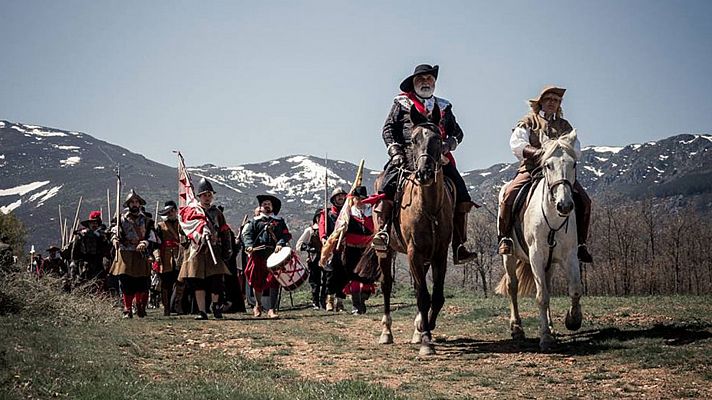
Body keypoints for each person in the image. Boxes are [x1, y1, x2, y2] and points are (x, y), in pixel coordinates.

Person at [374, 63, 477, 264]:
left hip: (437, 157)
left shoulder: (444, 106)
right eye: (421, 79)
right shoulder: (401, 103)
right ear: (413, 83)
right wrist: (395, 151)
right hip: (406, 156)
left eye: (429, 79)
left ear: (434, 82)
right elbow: (388, 129)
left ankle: (458, 244)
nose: (426, 82)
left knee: (462, 193)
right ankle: (385, 232)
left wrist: (447, 146)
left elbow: (457, 132)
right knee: (386, 186)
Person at [498, 85, 593, 263]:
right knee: (509, 195)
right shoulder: (528, 120)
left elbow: (576, 150)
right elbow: (517, 144)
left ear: (559, 105)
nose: (552, 103)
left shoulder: (565, 126)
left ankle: (580, 244)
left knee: (585, 201)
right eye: (548, 99)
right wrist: (539, 154)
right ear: (540, 102)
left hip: (559, 172)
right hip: (531, 169)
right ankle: (506, 238)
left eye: (556, 101)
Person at [177, 178, 232, 320]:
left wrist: (227, 249)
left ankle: (216, 306)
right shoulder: (191, 213)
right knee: (198, 283)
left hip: (214, 250)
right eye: (204, 195)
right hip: (197, 251)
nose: (207, 198)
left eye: (209, 195)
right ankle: (202, 311)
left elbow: (225, 231)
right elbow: (184, 231)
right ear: (199, 196)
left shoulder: (217, 213)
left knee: (216, 281)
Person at [242, 194, 291, 318]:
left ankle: (271, 309)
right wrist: (248, 245)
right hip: (258, 254)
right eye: (264, 204)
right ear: (261, 207)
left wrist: (280, 243)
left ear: (272, 207)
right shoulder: (255, 222)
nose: (267, 206)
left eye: (269, 204)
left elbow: (286, 235)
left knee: (275, 281)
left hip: (274, 255)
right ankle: (258, 305)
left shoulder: (279, 222)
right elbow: (247, 235)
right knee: (257, 281)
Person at [109, 190, 157, 318]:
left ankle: (140, 304)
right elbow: (114, 231)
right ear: (128, 204)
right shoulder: (120, 218)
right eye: (132, 202)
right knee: (126, 282)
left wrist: (145, 243)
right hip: (126, 253)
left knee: (142, 282)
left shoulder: (147, 220)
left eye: (136, 202)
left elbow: (152, 236)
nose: (134, 204)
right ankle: (127, 308)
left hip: (141, 253)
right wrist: (114, 238)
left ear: (140, 204)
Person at [341, 186, 382, 314]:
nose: (359, 201)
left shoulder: (372, 214)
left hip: (368, 251)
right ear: (353, 199)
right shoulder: (347, 214)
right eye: (357, 199)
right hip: (351, 250)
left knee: (367, 278)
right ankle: (356, 306)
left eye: (362, 199)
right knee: (354, 277)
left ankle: (362, 301)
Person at [153, 200, 185, 316]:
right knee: (166, 284)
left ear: (176, 211)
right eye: (169, 211)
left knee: (180, 282)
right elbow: (155, 243)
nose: (171, 213)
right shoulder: (160, 226)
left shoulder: (182, 225)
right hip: (165, 258)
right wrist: (157, 256)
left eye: (172, 211)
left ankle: (177, 305)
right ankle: (166, 308)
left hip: (179, 256)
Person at [319, 187, 347, 311]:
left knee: (343, 275)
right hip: (331, 247)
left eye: (342, 196)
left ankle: (340, 301)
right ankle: (329, 300)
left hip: (344, 247)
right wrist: (323, 238)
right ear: (334, 199)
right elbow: (322, 227)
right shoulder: (327, 213)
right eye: (338, 196)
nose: (341, 198)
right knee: (330, 275)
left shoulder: (347, 213)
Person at [70, 210, 111, 290]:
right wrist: (74, 262)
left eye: (96, 223)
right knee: (83, 284)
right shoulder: (81, 235)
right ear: (88, 224)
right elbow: (75, 250)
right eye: (92, 223)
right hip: (85, 264)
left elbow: (106, 250)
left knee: (99, 284)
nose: (94, 225)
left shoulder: (102, 236)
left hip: (98, 263)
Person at [296, 209, 325, 309]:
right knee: (315, 281)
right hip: (314, 258)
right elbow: (299, 245)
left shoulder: (329, 229)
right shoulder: (310, 230)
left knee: (326, 280)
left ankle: (324, 301)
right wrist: (309, 248)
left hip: (326, 257)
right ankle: (315, 302)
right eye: (319, 217)